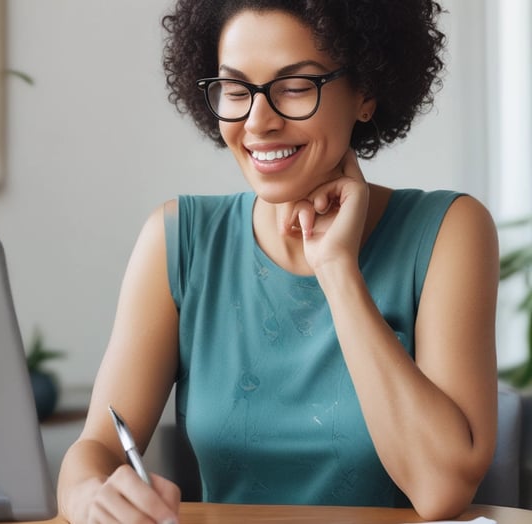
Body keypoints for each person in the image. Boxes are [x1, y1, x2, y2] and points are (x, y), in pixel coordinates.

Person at [57, 1, 499, 522]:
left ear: (366, 93)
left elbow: (442, 488)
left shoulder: (448, 230)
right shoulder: (178, 240)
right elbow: (98, 449)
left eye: (294, 87)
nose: (257, 122)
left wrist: (338, 271)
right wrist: (89, 495)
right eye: (237, 90)